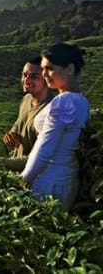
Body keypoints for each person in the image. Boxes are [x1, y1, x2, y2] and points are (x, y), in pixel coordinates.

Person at [20, 43, 90, 211]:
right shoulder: (81, 101)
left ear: (70, 69)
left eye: (50, 69)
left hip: (49, 181)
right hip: (64, 178)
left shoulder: (63, 102)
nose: (44, 74)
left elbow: (46, 146)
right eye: (43, 69)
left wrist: (24, 179)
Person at [0, 56, 54, 172]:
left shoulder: (52, 111)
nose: (26, 80)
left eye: (34, 77)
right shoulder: (26, 99)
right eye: (24, 75)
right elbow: (18, 124)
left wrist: (0, 163)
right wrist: (12, 134)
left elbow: (38, 159)